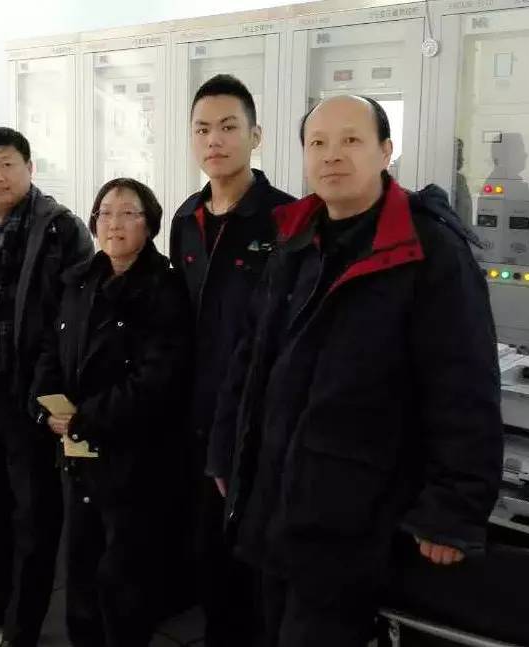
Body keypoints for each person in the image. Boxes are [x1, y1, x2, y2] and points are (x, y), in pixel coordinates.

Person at [217, 95, 503, 645]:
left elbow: (464, 386)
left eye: (351, 140)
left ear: (386, 151)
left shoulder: (427, 248)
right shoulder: (295, 237)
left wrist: (452, 510)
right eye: (318, 143)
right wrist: (227, 450)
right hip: (275, 500)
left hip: (355, 514)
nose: (332, 155)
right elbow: (252, 357)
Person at [0, 127, 93, 647]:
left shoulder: (62, 229)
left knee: (34, 513)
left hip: (31, 398)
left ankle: (23, 621)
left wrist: (52, 393)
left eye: (7, 164)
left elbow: (74, 319)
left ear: (29, 168)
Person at [32, 178, 192, 647]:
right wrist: (45, 405)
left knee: (124, 573)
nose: (114, 223)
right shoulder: (78, 280)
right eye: (105, 212)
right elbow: (51, 349)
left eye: (128, 213)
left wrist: (85, 417)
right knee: (80, 564)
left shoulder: (165, 289)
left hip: (132, 456)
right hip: (77, 451)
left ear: (150, 224)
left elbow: (157, 379)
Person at [168, 74, 294, 645]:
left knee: (252, 561)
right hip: (196, 414)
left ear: (255, 136)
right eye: (202, 129)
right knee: (207, 551)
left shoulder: (288, 219)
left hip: (255, 419)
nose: (213, 140)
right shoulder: (186, 218)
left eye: (227, 127)